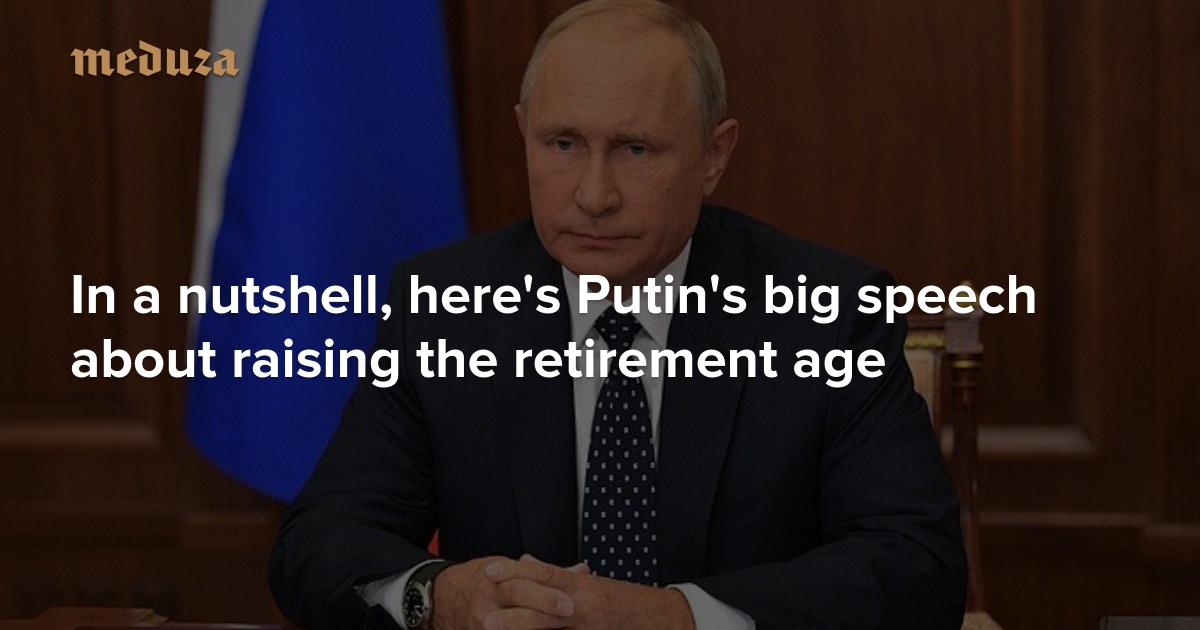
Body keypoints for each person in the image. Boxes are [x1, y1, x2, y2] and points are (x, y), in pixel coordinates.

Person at [269, 1, 966, 629]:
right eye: (563, 144)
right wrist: (440, 597)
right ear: (524, 132)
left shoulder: (828, 311)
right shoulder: (443, 305)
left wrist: (676, 617)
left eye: (635, 150)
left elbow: (917, 566)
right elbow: (318, 544)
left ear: (714, 156)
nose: (594, 195)